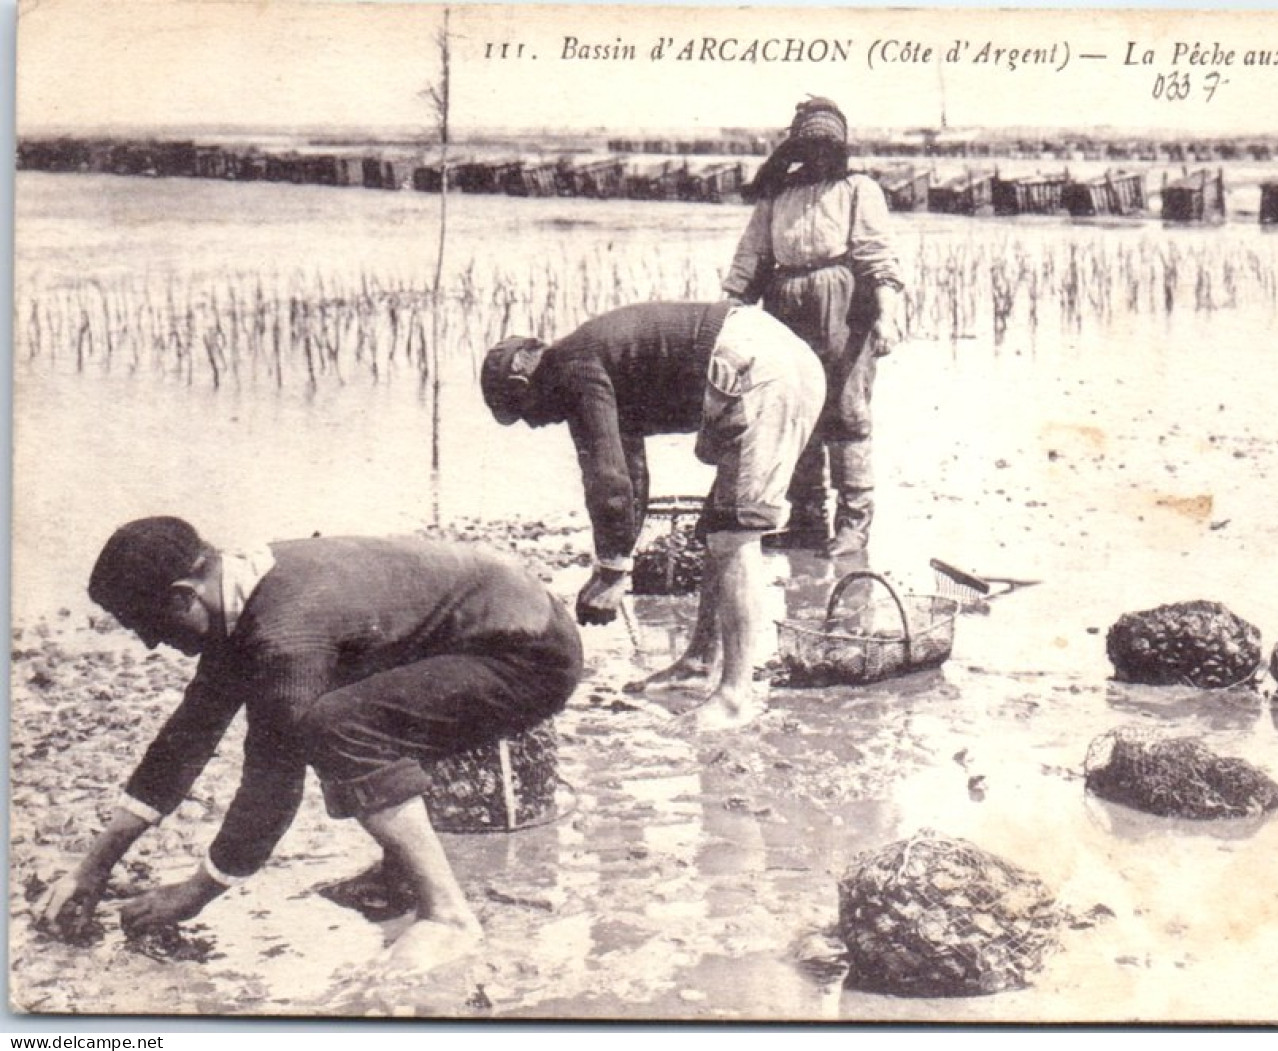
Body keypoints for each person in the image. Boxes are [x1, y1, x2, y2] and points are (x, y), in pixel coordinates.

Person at [37, 518, 582, 973]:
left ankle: (448, 915)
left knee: (335, 724)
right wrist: (93, 866)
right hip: (490, 626)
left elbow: (272, 783)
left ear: (184, 596)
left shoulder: (284, 631)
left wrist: (195, 894)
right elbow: (185, 738)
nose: (152, 643)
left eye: (147, 626)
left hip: (530, 653)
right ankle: (400, 875)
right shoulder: (241, 589)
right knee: (337, 705)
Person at [481, 301, 824, 729]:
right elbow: (630, 475)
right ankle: (700, 662)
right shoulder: (591, 360)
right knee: (720, 528)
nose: (533, 425)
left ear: (522, 380)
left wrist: (611, 573)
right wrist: (615, 561)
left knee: (736, 536)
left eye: (521, 411)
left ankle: (737, 696)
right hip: (768, 358)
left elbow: (608, 481)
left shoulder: (571, 367)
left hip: (760, 371)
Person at [722, 96, 905, 557]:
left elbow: (877, 255)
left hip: (842, 304)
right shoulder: (777, 195)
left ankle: (853, 525)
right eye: (810, 145)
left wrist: (886, 313)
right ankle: (806, 521)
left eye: (828, 146)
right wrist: (729, 310)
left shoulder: (858, 189)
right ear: (797, 147)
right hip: (784, 303)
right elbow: (751, 256)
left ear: (840, 149)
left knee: (845, 412)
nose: (819, 155)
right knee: (793, 410)